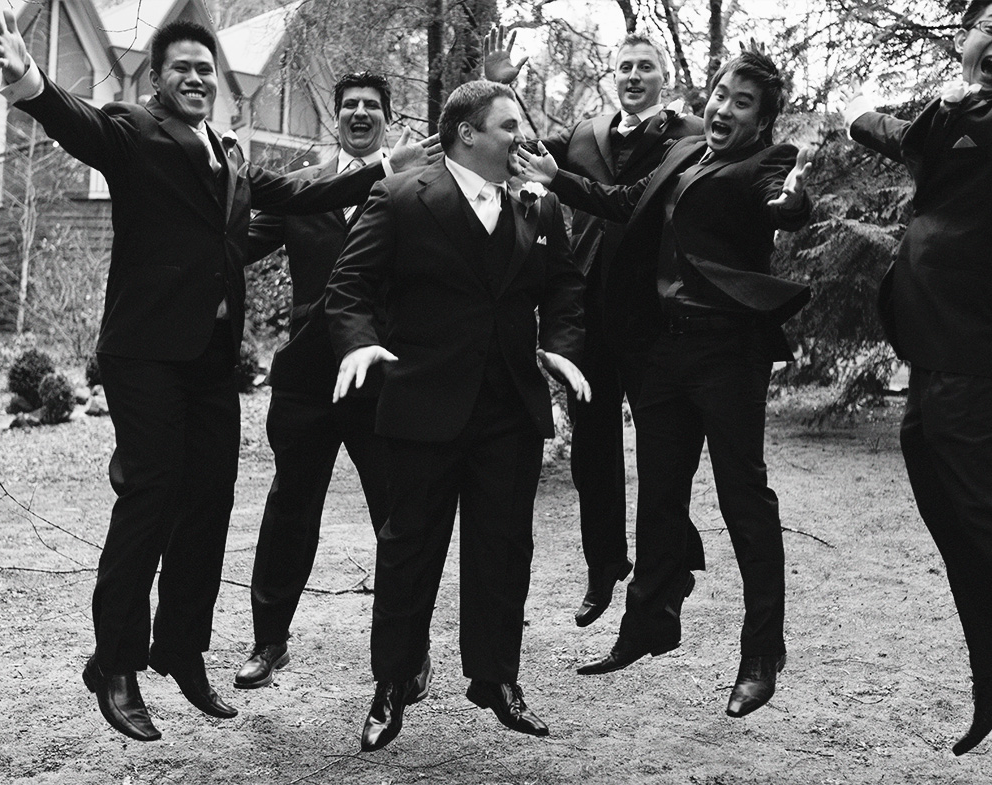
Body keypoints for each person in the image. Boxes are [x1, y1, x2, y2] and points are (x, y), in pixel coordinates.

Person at [0, 8, 436, 743]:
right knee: (151, 496)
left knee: (210, 501)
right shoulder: (135, 131)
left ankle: (181, 650)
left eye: (205, 70)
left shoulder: (226, 151)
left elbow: (302, 195)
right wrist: (30, 80)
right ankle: (116, 662)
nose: (196, 78)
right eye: (182, 69)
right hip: (147, 353)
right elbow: (80, 123)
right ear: (158, 78)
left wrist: (386, 168)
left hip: (211, 358)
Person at [517, 47, 812, 718]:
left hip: (728, 353)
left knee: (744, 499)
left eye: (741, 102)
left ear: (762, 119)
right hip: (666, 352)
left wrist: (792, 202)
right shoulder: (684, 154)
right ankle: (649, 623)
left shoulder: (766, 162)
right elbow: (623, 202)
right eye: (720, 94)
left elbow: (784, 200)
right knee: (659, 496)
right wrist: (557, 177)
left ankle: (762, 652)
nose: (723, 108)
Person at [846, 3, 992, 781]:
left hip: (974, 346)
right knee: (951, 510)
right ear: (966, 37)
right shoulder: (954, 113)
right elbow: (896, 133)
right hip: (932, 348)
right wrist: (855, 116)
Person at [326, 80, 589, 751]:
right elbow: (348, 286)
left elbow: (564, 286)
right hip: (423, 406)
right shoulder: (398, 197)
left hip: (510, 409)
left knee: (504, 548)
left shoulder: (539, 203)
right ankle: (392, 683)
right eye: (510, 127)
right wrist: (357, 345)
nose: (523, 139)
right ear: (466, 133)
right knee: (409, 550)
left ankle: (496, 679)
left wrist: (561, 346)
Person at [484, 26, 707, 628]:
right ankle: (604, 561)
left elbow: (638, 202)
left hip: (656, 312)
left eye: (645, 66)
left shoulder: (691, 135)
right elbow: (525, 152)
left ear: (664, 76)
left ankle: (672, 559)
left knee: (664, 448)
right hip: (592, 309)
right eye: (625, 67)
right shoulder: (586, 133)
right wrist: (499, 92)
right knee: (592, 446)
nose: (634, 76)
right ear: (614, 75)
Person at [234, 71, 429, 699]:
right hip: (307, 380)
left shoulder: (415, 187)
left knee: (397, 517)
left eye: (372, 105)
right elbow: (237, 246)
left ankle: (409, 651)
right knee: (289, 510)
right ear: (335, 117)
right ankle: (268, 640)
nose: (360, 113)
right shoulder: (305, 189)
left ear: (389, 119)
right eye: (349, 105)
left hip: (384, 377)